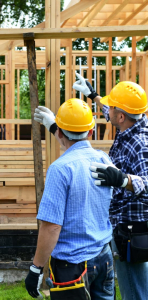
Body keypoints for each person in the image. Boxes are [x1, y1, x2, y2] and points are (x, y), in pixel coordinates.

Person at [25, 99, 114, 300]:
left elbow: (51, 227)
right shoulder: (103, 159)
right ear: (92, 131)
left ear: (59, 133)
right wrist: (55, 127)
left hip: (72, 266)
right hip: (103, 256)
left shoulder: (60, 169)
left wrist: (36, 268)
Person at [73, 74, 148, 300]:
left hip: (133, 231)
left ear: (122, 116)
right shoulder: (128, 125)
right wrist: (93, 94)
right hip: (122, 227)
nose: (109, 111)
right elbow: (110, 111)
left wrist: (124, 181)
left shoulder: (141, 144)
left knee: (134, 290)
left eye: (113, 107)